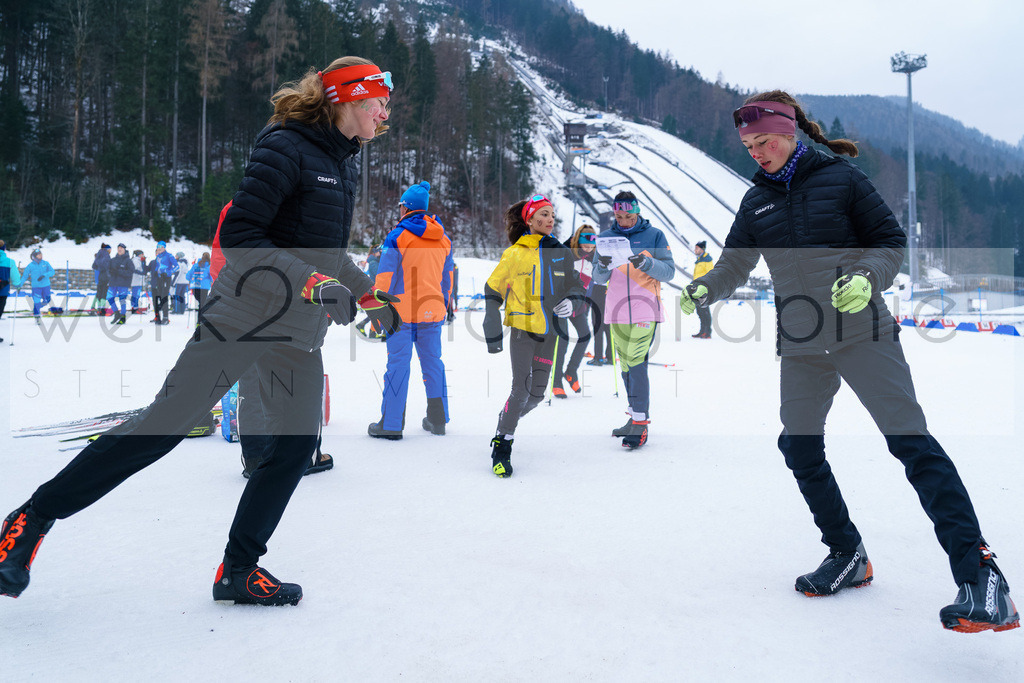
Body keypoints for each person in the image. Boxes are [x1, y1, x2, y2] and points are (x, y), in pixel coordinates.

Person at [0, 56, 400, 606]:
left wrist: (365, 292)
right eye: (380, 101)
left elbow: (324, 253)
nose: (386, 113)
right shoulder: (285, 146)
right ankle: (31, 518)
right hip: (242, 315)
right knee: (165, 425)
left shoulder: (344, 161)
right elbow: (241, 234)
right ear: (351, 98)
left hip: (297, 332)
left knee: (293, 449)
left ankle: (238, 569)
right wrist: (310, 283)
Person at [679, 90, 1019, 633]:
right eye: (747, 145)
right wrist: (705, 290)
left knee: (911, 444)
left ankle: (981, 577)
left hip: (862, 331)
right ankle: (846, 553)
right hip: (801, 340)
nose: (757, 152)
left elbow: (889, 242)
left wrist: (866, 277)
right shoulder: (756, 201)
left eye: (764, 141)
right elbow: (733, 265)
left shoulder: (841, 180)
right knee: (799, 446)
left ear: (790, 131)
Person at [482, 195, 584, 477]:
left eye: (552, 214)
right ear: (529, 220)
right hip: (522, 331)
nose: (550, 219)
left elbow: (575, 286)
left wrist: (573, 300)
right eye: (543, 214)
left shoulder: (561, 253)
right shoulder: (515, 254)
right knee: (520, 389)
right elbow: (493, 289)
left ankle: (506, 419)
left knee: (537, 395)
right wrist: (491, 321)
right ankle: (502, 446)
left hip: (551, 332)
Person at [367, 181, 454, 439]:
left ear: (406, 208)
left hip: (400, 313)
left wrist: (377, 310)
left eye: (401, 205)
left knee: (398, 365)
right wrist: (444, 305)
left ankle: (392, 424)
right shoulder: (444, 239)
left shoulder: (397, 236)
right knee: (433, 364)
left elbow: (383, 278)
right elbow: (447, 279)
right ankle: (438, 420)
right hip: (433, 311)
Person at [591, 191, 675, 449]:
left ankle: (640, 423)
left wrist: (647, 263)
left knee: (637, 360)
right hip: (615, 309)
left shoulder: (655, 235)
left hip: (644, 307)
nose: (624, 221)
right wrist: (603, 265)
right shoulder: (605, 238)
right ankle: (633, 416)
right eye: (618, 216)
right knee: (626, 363)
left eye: (628, 215)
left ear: (637, 211)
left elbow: (669, 271)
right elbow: (597, 277)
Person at [551, 224, 596, 398]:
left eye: (592, 244)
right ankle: (556, 381)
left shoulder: (593, 257)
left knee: (585, 336)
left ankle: (571, 372)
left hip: (579, 303)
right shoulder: (566, 253)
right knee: (562, 342)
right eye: (585, 243)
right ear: (578, 240)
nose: (588, 247)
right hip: (562, 302)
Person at [355, 243, 383, 338]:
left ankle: (366, 328)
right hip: (374, 289)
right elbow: (378, 274)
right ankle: (368, 329)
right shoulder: (373, 263)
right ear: (375, 252)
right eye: (380, 251)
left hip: (375, 289)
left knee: (377, 311)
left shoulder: (374, 261)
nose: (381, 253)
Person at [21, 248, 56, 323]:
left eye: (41, 254)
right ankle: (37, 316)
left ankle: (36, 308)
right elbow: (25, 276)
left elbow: (52, 272)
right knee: (36, 301)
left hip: (46, 286)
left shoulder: (45, 263)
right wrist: (19, 285)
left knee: (47, 300)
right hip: (36, 287)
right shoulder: (30, 266)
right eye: (39, 255)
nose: (41, 256)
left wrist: (44, 275)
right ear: (34, 256)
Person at [148, 241, 178, 324]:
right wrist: (155, 271)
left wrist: (169, 272)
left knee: (164, 297)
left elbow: (176, 267)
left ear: (164, 247)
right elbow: (158, 267)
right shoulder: (158, 257)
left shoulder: (169, 256)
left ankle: (166, 318)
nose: (160, 248)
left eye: (161, 247)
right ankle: (159, 318)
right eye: (158, 247)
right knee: (160, 297)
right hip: (159, 278)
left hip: (166, 278)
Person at [105, 243, 134, 324]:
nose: (120, 249)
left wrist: (119, 271)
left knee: (122, 300)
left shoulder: (128, 261)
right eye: (118, 248)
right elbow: (108, 270)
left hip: (123, 283)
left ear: (125, 250)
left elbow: (130, 272)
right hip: (113, 282)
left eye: (121, 248)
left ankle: (123, 317)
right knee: (109, 297)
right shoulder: (113, 260)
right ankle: (116, 314)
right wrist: (110, 274)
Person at [691, 240, 715, 338]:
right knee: (699, 310)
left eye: (697, 248)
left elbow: (711, 274)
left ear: (702, 249)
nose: (695, 250)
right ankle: (702, 331)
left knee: (704, 310)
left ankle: (707, 332)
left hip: (704, 289)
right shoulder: (699, 261)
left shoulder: (707, 260)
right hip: (697, 288)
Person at [0, 240, 21, 341]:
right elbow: (16, 280)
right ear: (4, 248)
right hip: (2, 292)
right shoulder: (10, 262)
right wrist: (18, 286)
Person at [91, 243, 111, 313]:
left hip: (99, 276)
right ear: (107, 249)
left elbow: (94, 266)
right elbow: (107, 265)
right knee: (104, 292)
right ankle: (102, 308)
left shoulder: (99, 255)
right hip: (105, 275)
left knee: (99, 292)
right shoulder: (106, 255)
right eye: (110, 249)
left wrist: (99, 269)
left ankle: (96, 306)